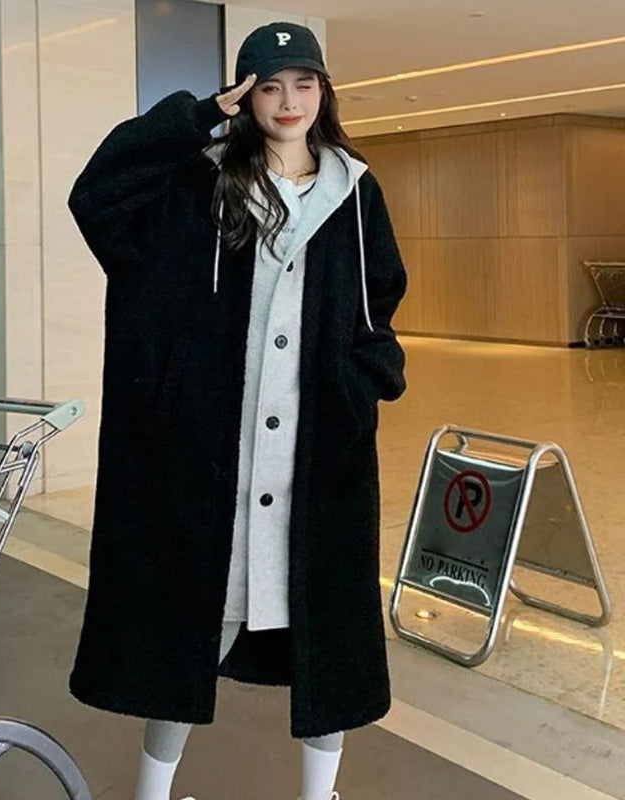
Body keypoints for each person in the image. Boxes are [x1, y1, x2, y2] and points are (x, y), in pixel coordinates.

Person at [68, 21, 407, 800]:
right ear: (244, 96)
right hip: (210, 458)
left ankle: (318, 795)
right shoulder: (201, 184)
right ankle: (152, 793)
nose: (289, 101)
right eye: (269, 85)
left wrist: (367, 376)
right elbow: (98, 196)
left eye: (304, 83)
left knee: (327, 637)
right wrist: (191, 118)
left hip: (319, 458)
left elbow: (381, 293)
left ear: (324, 92)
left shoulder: (355, 192)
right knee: (193, 629)